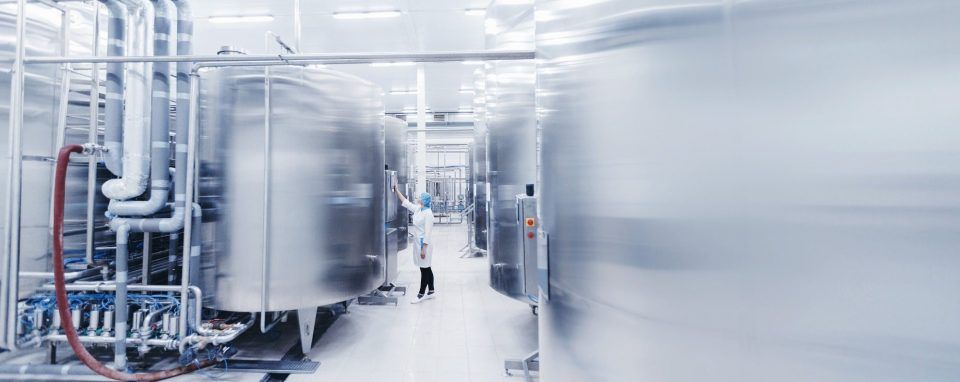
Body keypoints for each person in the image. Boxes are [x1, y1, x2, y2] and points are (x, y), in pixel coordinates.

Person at [395, 186, 436, 303]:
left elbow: (427, 233)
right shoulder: (419, 209)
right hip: (418, 242)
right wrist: (397, 189)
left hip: (424, 244)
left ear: (424, 200)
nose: (418, 198)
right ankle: (431, 291)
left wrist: (424, 249)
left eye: (420, 197)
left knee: (424, 269)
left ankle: (421, 294)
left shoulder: (428, 213)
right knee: (426, 267)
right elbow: (406, 202)